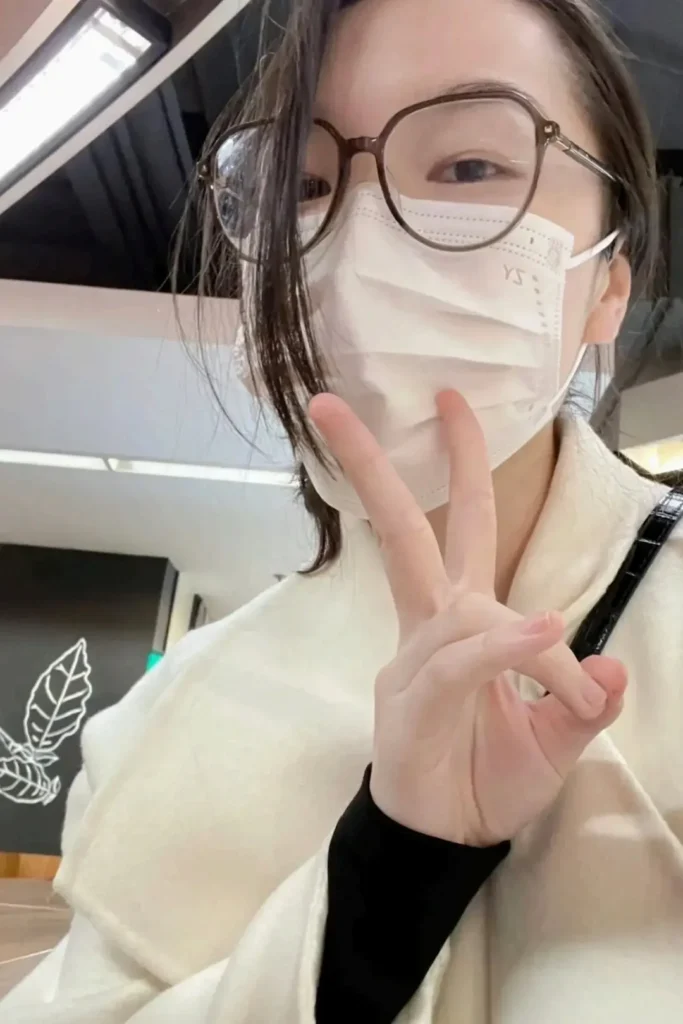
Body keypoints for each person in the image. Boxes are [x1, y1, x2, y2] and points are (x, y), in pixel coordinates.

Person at [3, 0, 683, 1021]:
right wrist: (388, 874)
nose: (362, 239)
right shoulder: (160, 725)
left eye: (468, 167)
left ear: (608, 287)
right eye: (307, 187)